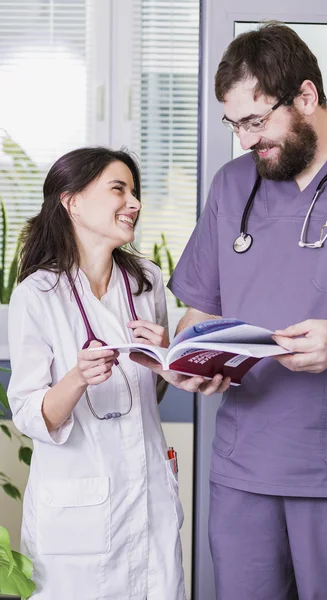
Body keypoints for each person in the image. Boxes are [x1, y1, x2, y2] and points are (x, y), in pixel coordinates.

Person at [137, 21, 327, 600]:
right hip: (244, 472)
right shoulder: (232, 185)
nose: (244, 141)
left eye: (256, 122)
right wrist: (187, 357)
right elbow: (201, 310)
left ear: (306, 96)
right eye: (234, 124)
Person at [8, 147, 192, 600]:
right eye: (119, 189)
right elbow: (31, 414)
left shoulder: (146, 281)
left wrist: (167, 355)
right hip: (76, 511)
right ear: (71, 201)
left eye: (135, 191)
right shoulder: (38, 293)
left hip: (148, 505)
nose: (134, 202)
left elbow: (159, 387)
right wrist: (76, 378)